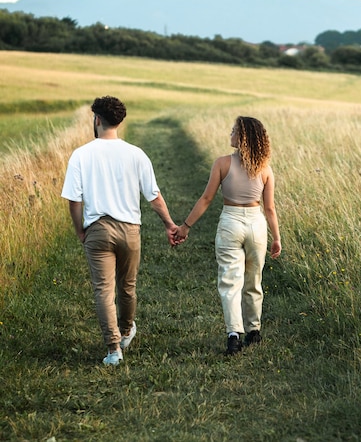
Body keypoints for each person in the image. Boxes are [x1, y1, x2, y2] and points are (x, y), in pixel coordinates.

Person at [61, 96, 178, 366]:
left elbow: (74, 201)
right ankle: (126, 330)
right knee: (128, 287)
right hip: (130, 230)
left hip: (98, 230)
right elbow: (154, 197)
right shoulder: (136, 154)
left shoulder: (81, 154)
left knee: (103, 290)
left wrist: (80, 231)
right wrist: (170, 225)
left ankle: (114, 349)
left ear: (97, 119)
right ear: (119, 121)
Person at [175, 116, 281, 355]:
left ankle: (234, 334)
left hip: (230, 223)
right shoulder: (265, 168)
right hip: (256, 225)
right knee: (254, 279)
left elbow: (206, 199)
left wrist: (186, 226)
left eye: (233, 131)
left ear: (242, 137)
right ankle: (254, 330)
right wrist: (276, 238)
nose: (230, 134)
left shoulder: (222, 163)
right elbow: (270, 208)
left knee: (230, 281)